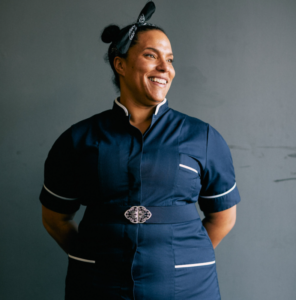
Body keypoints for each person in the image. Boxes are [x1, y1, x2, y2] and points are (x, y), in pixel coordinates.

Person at [40, 1, 241, 299]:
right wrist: (97, 258)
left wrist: (180, 258)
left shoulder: (203, 137)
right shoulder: (78, 139)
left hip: (187, 288)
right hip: (97, 287)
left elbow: (223, 217)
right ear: (120, 64)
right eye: (151, 56)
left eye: (170, 60)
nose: (165, 68)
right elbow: (55, 219)